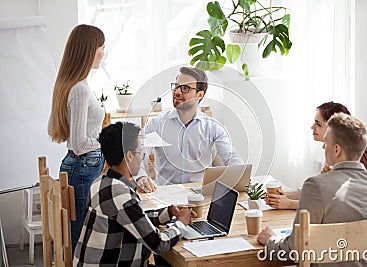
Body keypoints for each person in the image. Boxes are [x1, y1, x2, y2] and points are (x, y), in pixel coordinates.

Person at [257, 113, 367, 266]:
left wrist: (270, 240)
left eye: (326, 141)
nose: (323, 146)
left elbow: (295, 250)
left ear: (337, 149)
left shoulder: (315, 185)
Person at [74, 122, 193, 266]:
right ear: (129, 156)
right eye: (140, 152)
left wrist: (169, 212)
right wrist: (181, 223)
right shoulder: (120, 194)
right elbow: (159, 244)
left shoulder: (101, 182)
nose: (141, 157)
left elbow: (135, 219)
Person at [135, 67, 243, 191]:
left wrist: (241, 175)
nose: (177, 92)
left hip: (198, 195)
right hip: (167, 195)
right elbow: (139, 154)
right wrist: (141, 177)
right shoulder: (156, 124)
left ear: (200, 94)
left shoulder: (213, 127)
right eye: (176, 86)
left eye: (185, 88)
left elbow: (230, 157)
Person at [48, 24, 106, 251]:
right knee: (80, 235)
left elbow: (52, 128)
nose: (103, 52)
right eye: (101, 47)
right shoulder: (80, 89)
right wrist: (108, 139)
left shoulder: (69, 85)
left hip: (78, 166)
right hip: (84, 165)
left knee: (77, 231)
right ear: (89, 50)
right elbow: (80, 144)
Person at [267, 101, 367, 210]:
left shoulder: (347, 161)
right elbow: (319, 194)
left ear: (333, 128)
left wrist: (289, 204)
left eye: (318, 124)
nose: (312, 127)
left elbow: (332, 206)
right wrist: (283, 196)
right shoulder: (336, 154)